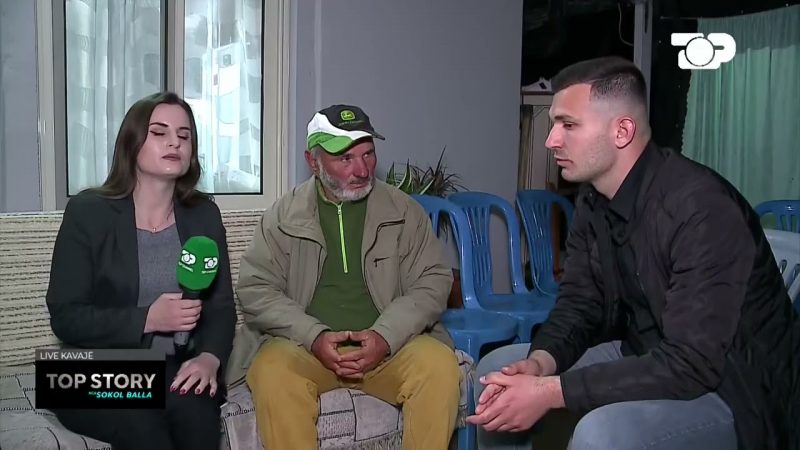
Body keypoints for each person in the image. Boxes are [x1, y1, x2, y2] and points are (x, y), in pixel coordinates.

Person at [467, 56, 799, 450]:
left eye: (568, 125)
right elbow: (580, 302)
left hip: (736, 390)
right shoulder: (594, 200)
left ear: (622, 130)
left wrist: (552, 391)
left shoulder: (702, 209)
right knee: (496, 373)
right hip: (647, 354)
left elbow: (693, 361)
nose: (551, 140)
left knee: (603, 432)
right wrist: (541, 362)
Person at [226, 104, 461, 449]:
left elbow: (433, 280)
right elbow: (255, 288)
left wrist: (384, 337)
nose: (362, 170)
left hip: (390, 350)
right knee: (271, 370)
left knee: (439, 366)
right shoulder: (283, 216)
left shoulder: (404, 211)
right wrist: (314, 336)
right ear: (313, 161)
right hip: (307, 351)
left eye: (368, 154)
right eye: (345, 158)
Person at [46, 92, 237, 450]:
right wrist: (147, 319)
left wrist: (210, 358)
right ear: (132, 143)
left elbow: (222, 307)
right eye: (159, 132)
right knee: (142, 423)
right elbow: (65, 317)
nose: (174, 142)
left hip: (173, 365)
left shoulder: (204, 215)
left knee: (198, 414)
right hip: (86, 369)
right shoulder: (87, 212)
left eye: (184, 135)